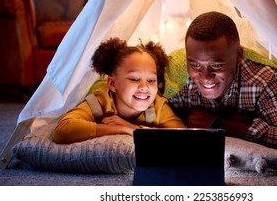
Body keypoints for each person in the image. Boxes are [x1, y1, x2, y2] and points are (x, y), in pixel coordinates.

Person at [168, 11, 277, 155]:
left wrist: (220, 124)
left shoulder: (264, 80)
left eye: (216, 65)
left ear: (239, 56)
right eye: (196, 65)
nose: (206, 77)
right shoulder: (176, 81)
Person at [53, 37, 185, 144]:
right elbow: (62, 131)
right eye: (134, 79)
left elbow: (182, 137)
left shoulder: (158, 106)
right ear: (112, 83)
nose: (144, 87)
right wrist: (117, 129)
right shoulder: (98, 103)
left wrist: (130, 128)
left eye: (151, 80)